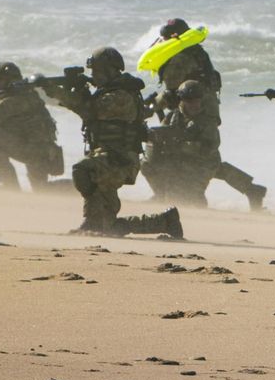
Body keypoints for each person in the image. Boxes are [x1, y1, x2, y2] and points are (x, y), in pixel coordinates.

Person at [37, 47, 182, 239]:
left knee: (84, 170)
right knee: (109, 227)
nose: (94, 76)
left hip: (120, 160)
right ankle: (165, 221)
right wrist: (64, 90)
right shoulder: (108, 92)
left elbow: (90, 110)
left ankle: (92, 221)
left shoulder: (121, 95)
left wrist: (60, 91)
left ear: (111, 71)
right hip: (108, 156)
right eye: (93, 72)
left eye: (98, 71)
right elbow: (85, 106)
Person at [139, 19, 265, 210]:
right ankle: (251, 189)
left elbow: (171, 91)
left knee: (199, 153)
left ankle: (166, 193)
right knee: (202, 154)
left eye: (164, 38)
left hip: (194, 109)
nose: (161, 41)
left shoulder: (180, 57)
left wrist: (149, 108)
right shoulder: (196, 51)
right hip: (203, 107)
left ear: (173, 37)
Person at [0, 61, 66, 193]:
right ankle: (74, 188)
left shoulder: (13, 100)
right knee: (41, 190)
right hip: (41, 150)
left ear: (9, 81)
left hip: (34, 151)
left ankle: (10, 187)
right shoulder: (28, 94)